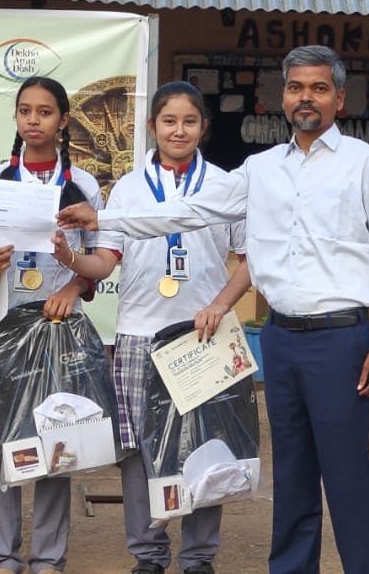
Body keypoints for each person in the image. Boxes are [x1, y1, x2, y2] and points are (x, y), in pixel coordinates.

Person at [57, 45, 369, 574]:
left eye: (318, 88)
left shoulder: (366, 163)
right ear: (281, 97)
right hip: (281, 340)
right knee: (291, 470)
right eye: (296, 87)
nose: (306, 98)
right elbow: (185, 212)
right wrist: (102, 219)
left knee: (346, 472)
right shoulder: (258, 170)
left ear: (339, 98)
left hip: (341, 338)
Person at [48, 80, 249, 574]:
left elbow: (250, 260)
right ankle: (148, 554)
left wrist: (220, 304)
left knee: (205, 444)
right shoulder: (129, 189)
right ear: (152, 126)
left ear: (203, 127)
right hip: (139, 334)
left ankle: (198, 557)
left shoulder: (226, 186)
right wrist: (71, 258)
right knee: (137, 449)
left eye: (189, 121)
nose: (179, 131)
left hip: (204, 335)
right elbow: (105, 262)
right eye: (169, 121)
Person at [0, 76, 103, 574]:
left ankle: (48, 557)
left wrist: (74, 286)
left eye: (44, 112)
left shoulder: (83, 186)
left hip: (56, 330)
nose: (33, 120)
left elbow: (97, 262)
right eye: (24, 110)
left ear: (63, 120)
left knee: (55, 437)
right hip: (2, 331)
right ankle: (4, 555)